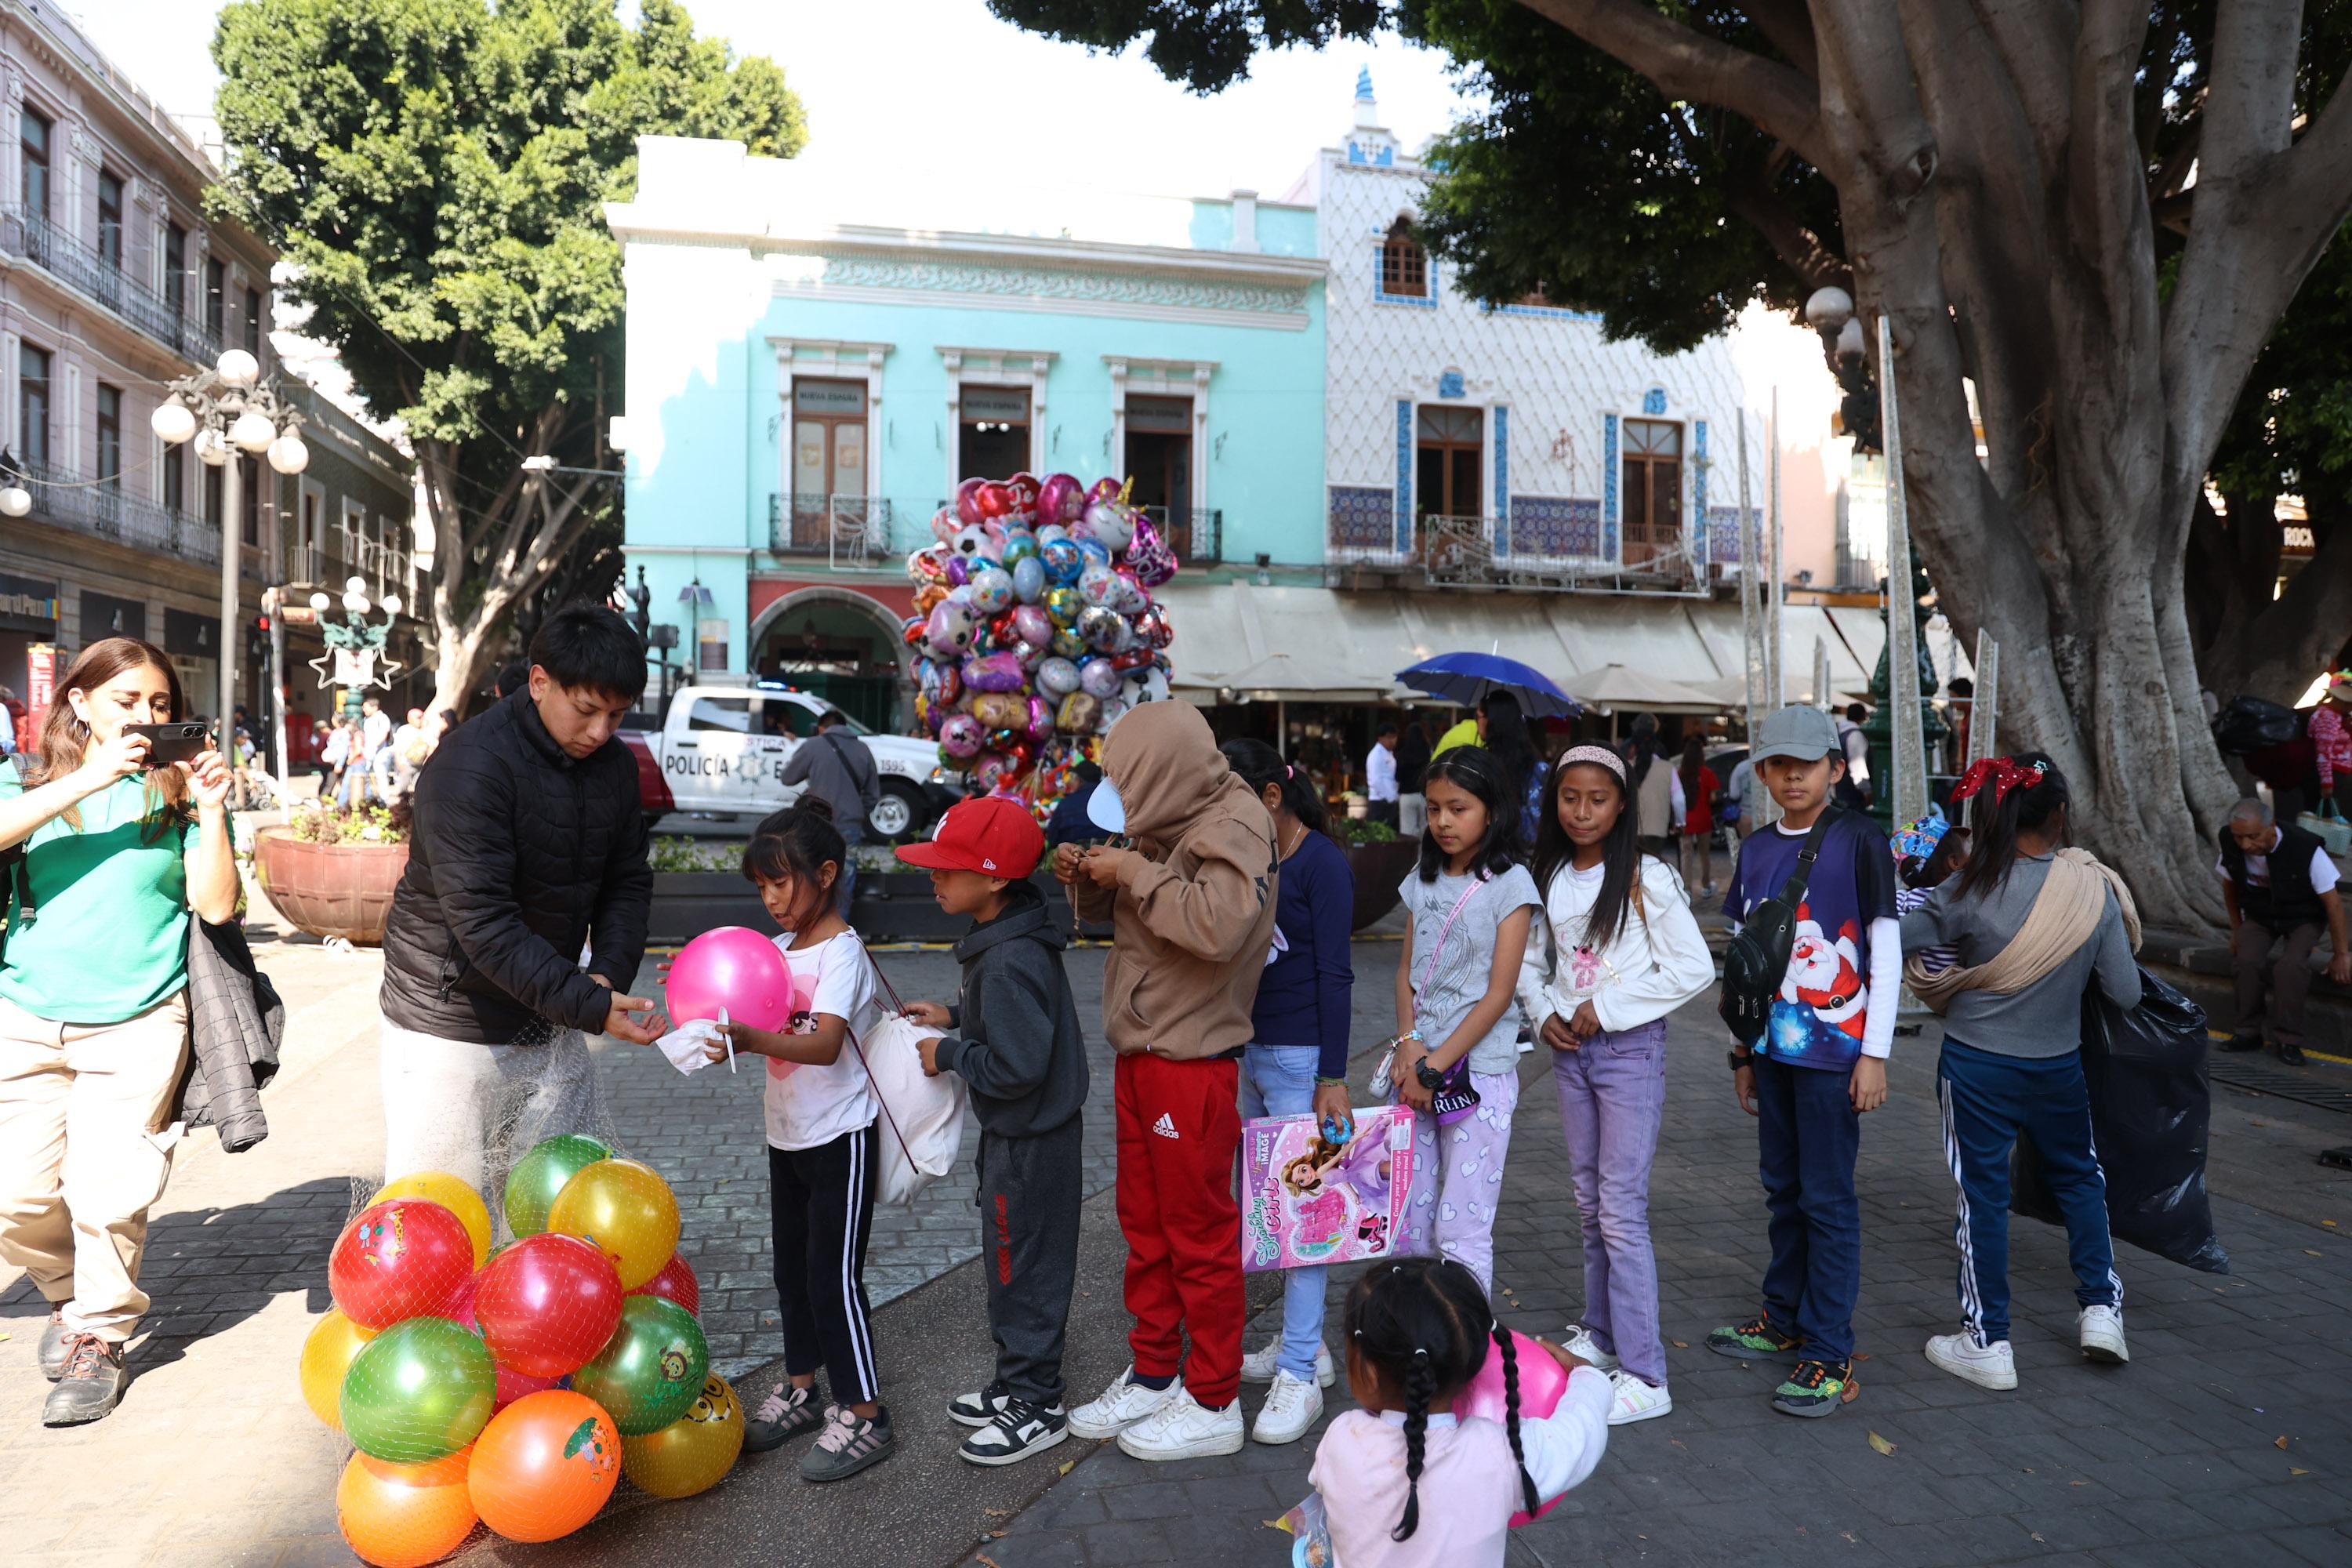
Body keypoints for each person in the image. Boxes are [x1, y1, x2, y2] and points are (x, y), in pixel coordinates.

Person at [0, 638, 238, 1425]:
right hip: (27, 1013)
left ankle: (101, 1337)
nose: (146, 716)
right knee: (16, 1195)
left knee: (106, 1190)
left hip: (139, 1015)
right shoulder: (31, 780)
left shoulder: (172, 792)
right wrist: (88, 777)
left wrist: (209, 810)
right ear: (81, 703)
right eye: (128, 700)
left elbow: (217, 907)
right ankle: (72, 1300)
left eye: (161, 704)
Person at [1053, 701, 1279, 1462]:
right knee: (1145, 1227)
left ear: (1162, 770)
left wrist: (1133, 868)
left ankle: (1213, 1396)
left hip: (1192, 1063)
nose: (1120, 796)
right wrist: (1090, 879)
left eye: (1126, 779)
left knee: (1199, 1234)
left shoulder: (1237, 822)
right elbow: (1138, 916)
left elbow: (1217, 927)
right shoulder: (1169, 809)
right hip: (1144, 1050)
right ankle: (1155, 1372)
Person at [376, 604, 661, 1198]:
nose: (601, 732)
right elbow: (483, 922)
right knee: (446, 1224)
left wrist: (606, 977)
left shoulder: (612, 767)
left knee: (555, 1217)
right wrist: (587, 1003)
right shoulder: (471, 766)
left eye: (616, 714)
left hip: (547, 1013)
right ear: (538, 682)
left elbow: (627, 880)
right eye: (586, 711)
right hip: (448, 1025)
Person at [1900, 754, 2140, 1388]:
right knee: (2081, 1180)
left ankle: (1989, 1343)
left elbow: (1897, 938)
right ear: (2060, 816)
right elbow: (2126, 993)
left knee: (1982, 1197)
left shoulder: (1970, 885)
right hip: (2057, 1066)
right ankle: (2100, 1311)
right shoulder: (2092, 889)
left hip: (1975, 1066)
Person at [1708, 703, 1897, 1418]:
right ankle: (1782, 1320)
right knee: (1782, 1190)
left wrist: (1873, 1055)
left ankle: (1828, 1352)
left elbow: (1886, 949)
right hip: (1770, 1052)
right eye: (1779, 765)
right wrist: (1740, 1053)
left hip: (1833, 1056)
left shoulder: (1859, 840)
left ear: (1835, 769)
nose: (1792, 776)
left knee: (1827, 1199)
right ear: (1761, 772)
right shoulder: (1755, 848)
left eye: (1806, 764)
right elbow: (1744, 962)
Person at [702, 799, 897, 1481]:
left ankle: (867, 1414)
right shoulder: (776, 952)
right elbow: (738, 1003)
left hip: (841, 1137)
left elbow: (825, 1042)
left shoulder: (844, 954)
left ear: (826, 874)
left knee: (832, 1278)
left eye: (782, 884)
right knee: (791, 1272)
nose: (772, 900)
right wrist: (702, 1005)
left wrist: (752, 1037)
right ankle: (804, 1388)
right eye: (761, 887)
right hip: (785, 1134)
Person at [1518, 746, 1712, 1426]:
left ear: (1621, 804)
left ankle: (1646, 1373)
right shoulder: (1544, 874)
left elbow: (1693, 968)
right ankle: (1600, 1339)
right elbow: (1526, 963)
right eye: (1570, 797)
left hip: (1629, 1053)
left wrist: (1608, 1008)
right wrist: (1544, 1015)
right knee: (1590, 1202)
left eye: (1597, 799)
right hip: (1572, 1056)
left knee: (1621, 1211)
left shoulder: (1645, 876)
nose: (1582, 811)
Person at [895, 797, 1087, 1465]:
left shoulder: (1007, 961)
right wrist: (954, 1014)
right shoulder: (1007, 942)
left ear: (995, 879)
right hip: (1029, 1138)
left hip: (1032, 1145)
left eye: (948, 870)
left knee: (1024, 1269)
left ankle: (1039, 1403)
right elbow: (1010, 1022)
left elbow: (1015, 1065)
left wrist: (948, 1054)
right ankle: (1016, 1383)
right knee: (1014, 1264)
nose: (935, 879)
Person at [1305, 1258, 1610, 1568]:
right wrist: (1589, 1378)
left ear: (1368, 1372)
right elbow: (1579, 1436)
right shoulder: (1499, 1452)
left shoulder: (1342, 1439)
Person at [1222, 739, 1356, 1446]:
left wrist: (1333, 1077)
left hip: (1302, 1062)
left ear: (1270, 797)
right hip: (1247, 1051)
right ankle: (1307, 1345)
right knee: (1266, 1208)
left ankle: (1300, 1369)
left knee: (1305, 1214)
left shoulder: (1321, 864)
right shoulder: (1249, 858)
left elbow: (1338, 975)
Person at [1390, 746, 1540, 1294]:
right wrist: (1409, 1046)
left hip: (1477, 1076)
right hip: (1414, 1070)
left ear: (1492, 811)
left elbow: (1498, 996)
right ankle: (1418, 1346)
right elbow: (1407, 969)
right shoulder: (1422, 877)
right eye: (1433, 809)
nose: (1443, 821)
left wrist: (1433, 1066)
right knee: (1411, 1222)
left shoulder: (1512, 886)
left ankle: (1468, 1355)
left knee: (1462, 1227)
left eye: (1458, 808)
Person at [2216, 797, 2350, 1067]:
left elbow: (2333, 904)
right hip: (2261, 914)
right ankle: (2248, 1032)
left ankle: (2288, 1039)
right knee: (2246, 959)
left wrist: (2341, 955)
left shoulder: (2304, 848)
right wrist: (2237, 930)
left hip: (2303, 917)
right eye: (2239, 837)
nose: (2246, 845)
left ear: (2272, 826)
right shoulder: (2231, 842)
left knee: (2289, 967)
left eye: (2253, 837)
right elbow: (2229, 887)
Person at [780, 710, 880, 916]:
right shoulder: (863, 749)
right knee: (845, 878)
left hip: (816, 824)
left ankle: (814, 931)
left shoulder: (813, 746)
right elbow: (873, 794)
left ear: (821, 728)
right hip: (850, 825)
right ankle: (839, 934)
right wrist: (857, 810)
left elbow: (788, 777)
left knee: (812, 876)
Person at [1626, 719, 1683, 856]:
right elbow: (1679, 800)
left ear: (1633, 747)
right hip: (1658, 830)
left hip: (1630, 830)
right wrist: (1680, 822)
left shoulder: (1626, 767)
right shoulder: (1668, 768)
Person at [1677, 735, 1721, 896]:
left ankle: (1686, 888)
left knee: (1686, 854)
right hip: (1703, 819)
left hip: (1685, 820)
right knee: (1704, 854)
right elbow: (1713, 798)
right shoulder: (1708, 773)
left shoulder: (1680, 774)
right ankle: (1706, 884)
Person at [2310, 673, 2352, 821]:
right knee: (2331, 819)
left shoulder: (2338, 716)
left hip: (2339, 773)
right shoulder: (2328, 718)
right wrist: (2327, 782)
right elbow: (2323, 753)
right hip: (2333, 774)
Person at [1044, 760, 1103, 848]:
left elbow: (1052, 838)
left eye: (1073, 778)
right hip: (1112, 851)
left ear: (1079, 780)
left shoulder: (1066, 803)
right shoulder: (1112, 799)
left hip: (1076, 856)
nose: (1070, 782)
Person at [1396, 717, 1432, 837]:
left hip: (1407, 796)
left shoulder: (1403, 753)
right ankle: (1422, 856)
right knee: (1425, 829)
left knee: (1407, 831)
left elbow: (1397, 777)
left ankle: (1410, 856)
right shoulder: (1427, 752)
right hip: (1423, 796)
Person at [1835, 702, 1872, 809]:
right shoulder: (1855, 735)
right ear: (1864, 716)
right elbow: (1857, 765)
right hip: (1854, 797)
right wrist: (1867, 792)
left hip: (1841, 792)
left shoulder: (1841, 734)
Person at [1366, 721, 1401, 829]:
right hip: (1380, 802)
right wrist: (1390, 798)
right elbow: (1375, 780)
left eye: (1394, 737)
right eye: (1389, 737)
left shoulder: (1389, 754)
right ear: (1380, 738)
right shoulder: (1375, 755)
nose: (1392, 741)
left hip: (1389, 800)